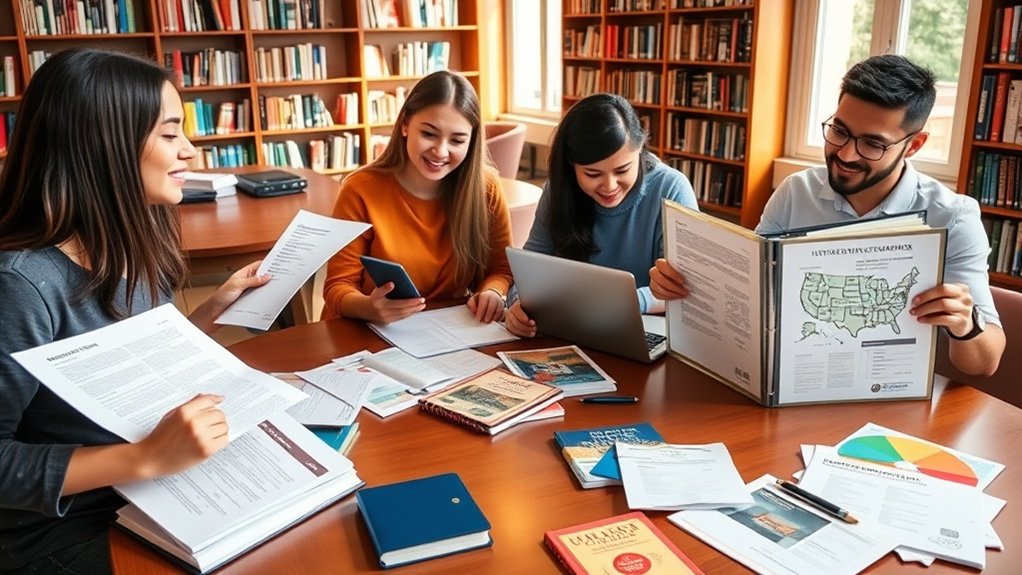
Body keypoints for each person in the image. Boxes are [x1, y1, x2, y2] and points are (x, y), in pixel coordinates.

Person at [0, 49, 270, 575]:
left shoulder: (134, 236)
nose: (190, 151)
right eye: (170, 135)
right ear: (102, 145)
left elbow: (119, 366)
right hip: (61, 524)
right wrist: (143, 459)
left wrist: (205, 318)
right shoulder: (20, 284)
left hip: (148, 489)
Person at [650, 55, 1005, 376]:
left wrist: (966, 325)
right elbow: (752, 295)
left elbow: (984, 364)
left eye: (872, 143)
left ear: (913, 145)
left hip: (890, 396)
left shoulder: (953, 218)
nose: (846, 154)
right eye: (839, 131)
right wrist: (685, 287)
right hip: (793, 377)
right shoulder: (795, 192)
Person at [322, 70, 513, 324]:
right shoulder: (360, 189)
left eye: (457, 140)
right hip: (368, 330)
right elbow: (338, 286)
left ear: (471, 141)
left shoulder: (486, 187)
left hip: (448, 329)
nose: (441, 151)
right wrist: (369, 307)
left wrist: (492, 291)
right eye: (429, 134)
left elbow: (500, 269)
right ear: (405, 125)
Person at [504, 93, 698, 338]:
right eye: (592, 174)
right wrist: (518, 305)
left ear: (639, 150)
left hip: (647, 331)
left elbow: (684, 289)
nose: (609, 186)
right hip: (572, 332)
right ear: (571, 166)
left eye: (622, 170)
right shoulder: (559, 190)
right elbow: (529, 267)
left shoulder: (671, 189)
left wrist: (619, 305)